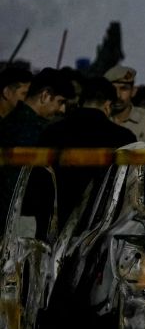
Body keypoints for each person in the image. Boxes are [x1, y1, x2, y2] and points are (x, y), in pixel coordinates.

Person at [38, 77, 136, 219]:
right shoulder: (124, 138)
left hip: (53, 222)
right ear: (108, 105)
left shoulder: (51, 132)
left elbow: (39, 182)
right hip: (102, 226)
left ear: (80, 103)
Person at [0, 68, 76, 220]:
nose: (62, 109)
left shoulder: (7, 123)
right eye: (60, 102)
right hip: (19, 219)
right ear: (45, 95)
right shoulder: (40, 132)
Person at [105, 66, 145, 142]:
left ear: (133, 91)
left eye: (124, 89)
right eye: (113, 89)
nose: (118, 95)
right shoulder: (99, 120)